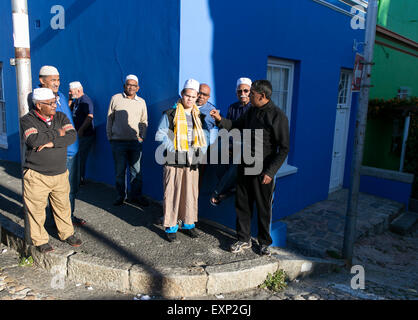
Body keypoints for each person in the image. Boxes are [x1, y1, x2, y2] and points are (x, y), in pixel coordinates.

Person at [210, 80, 289, 256]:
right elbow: (235, 126)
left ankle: (263, 243)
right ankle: (243, 239)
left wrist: (271, 172)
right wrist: (220, 120)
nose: (247, 95)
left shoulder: (277, 116)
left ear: (262, 96)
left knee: (263, 207)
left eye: (251, 93)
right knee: (242, 205)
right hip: (245, 165)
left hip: (263, 171)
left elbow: (284, 149)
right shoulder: (251, 111)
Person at [20, 87, 82, 253]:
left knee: (63, 206)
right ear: (39, 105)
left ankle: (67, 233)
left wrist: (51, 142)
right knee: (37, 210)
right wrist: (58, 132)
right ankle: (40, 240)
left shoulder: (60, 116)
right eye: (51, 103)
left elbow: (72, 136)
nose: (55, 105)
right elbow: (33, 139)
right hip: (36, 175)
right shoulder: (28, 120)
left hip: (60, 173)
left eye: (54, 102)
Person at [155, 79, 208, 242]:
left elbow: (204, 137)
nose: (190, 99)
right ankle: (171, 226)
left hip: (192, 163)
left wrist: (200, 152)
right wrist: (177, 150)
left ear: (197, 96)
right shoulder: (170, 114)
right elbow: (161, 135)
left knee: (190, 194)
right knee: (172, 194)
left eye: (193, 96)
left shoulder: (199, 116)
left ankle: (189, 224)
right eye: (187, 96)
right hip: (174, 161)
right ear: (182, 95)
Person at [38, 66, 85, 226]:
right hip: (60, 152)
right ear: (42, 81)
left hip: (73, 150)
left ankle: (68, 217)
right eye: (53, 80)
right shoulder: (41, 100)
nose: (57, 83)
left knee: (72, 189)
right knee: (59, 191)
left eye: (58, 79)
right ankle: (58, 222)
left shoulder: (62, 96)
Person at [106, 74, 149, 207]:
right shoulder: (116, 99)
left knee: (136, 171)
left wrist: (142, 136)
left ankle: (136, 196)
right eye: (128, 84)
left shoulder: (141, 102)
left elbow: (144, 121)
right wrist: (110, 136)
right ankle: (121, 196)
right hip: (118, 142)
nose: (131, 87)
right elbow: (109, 119)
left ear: (138, 88)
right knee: (120, 171)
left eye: (134, 85)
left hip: (135, 142)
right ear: (124, 86)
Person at [210, 77, 252, 206]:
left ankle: (218, 191)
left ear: (251, 92)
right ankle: (231, 188)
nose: (243, 94)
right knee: (215, 155)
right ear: (236, 92)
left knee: (237, 164)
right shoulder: (232, 108)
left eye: (246, 91)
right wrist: (218, 119)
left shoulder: (254, 109)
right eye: (240, 91)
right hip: (232, 142)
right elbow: (227, 127)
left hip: (247, 145)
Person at [68, 81, 95, 186]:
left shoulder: (86, 101)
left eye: (71, 91)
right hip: (78, 134)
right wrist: (70, 99)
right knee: (77, 157)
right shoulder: (76, 101)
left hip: (85, 135)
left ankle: (79, 179)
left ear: (78, 90)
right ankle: (77, 178)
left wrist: (81, 130)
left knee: (80, 158)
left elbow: (90, 116)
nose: (69, 93)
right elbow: (68, 110)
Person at [195, 83, 218, 186]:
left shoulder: (212, 111)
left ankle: (193, 202)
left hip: (201, 151)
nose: (201, 96)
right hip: (184, 148)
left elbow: (221, 128)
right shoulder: (185, 105)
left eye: (204, 95)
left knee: (197, 180)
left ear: (208, 97)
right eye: (199, 93)